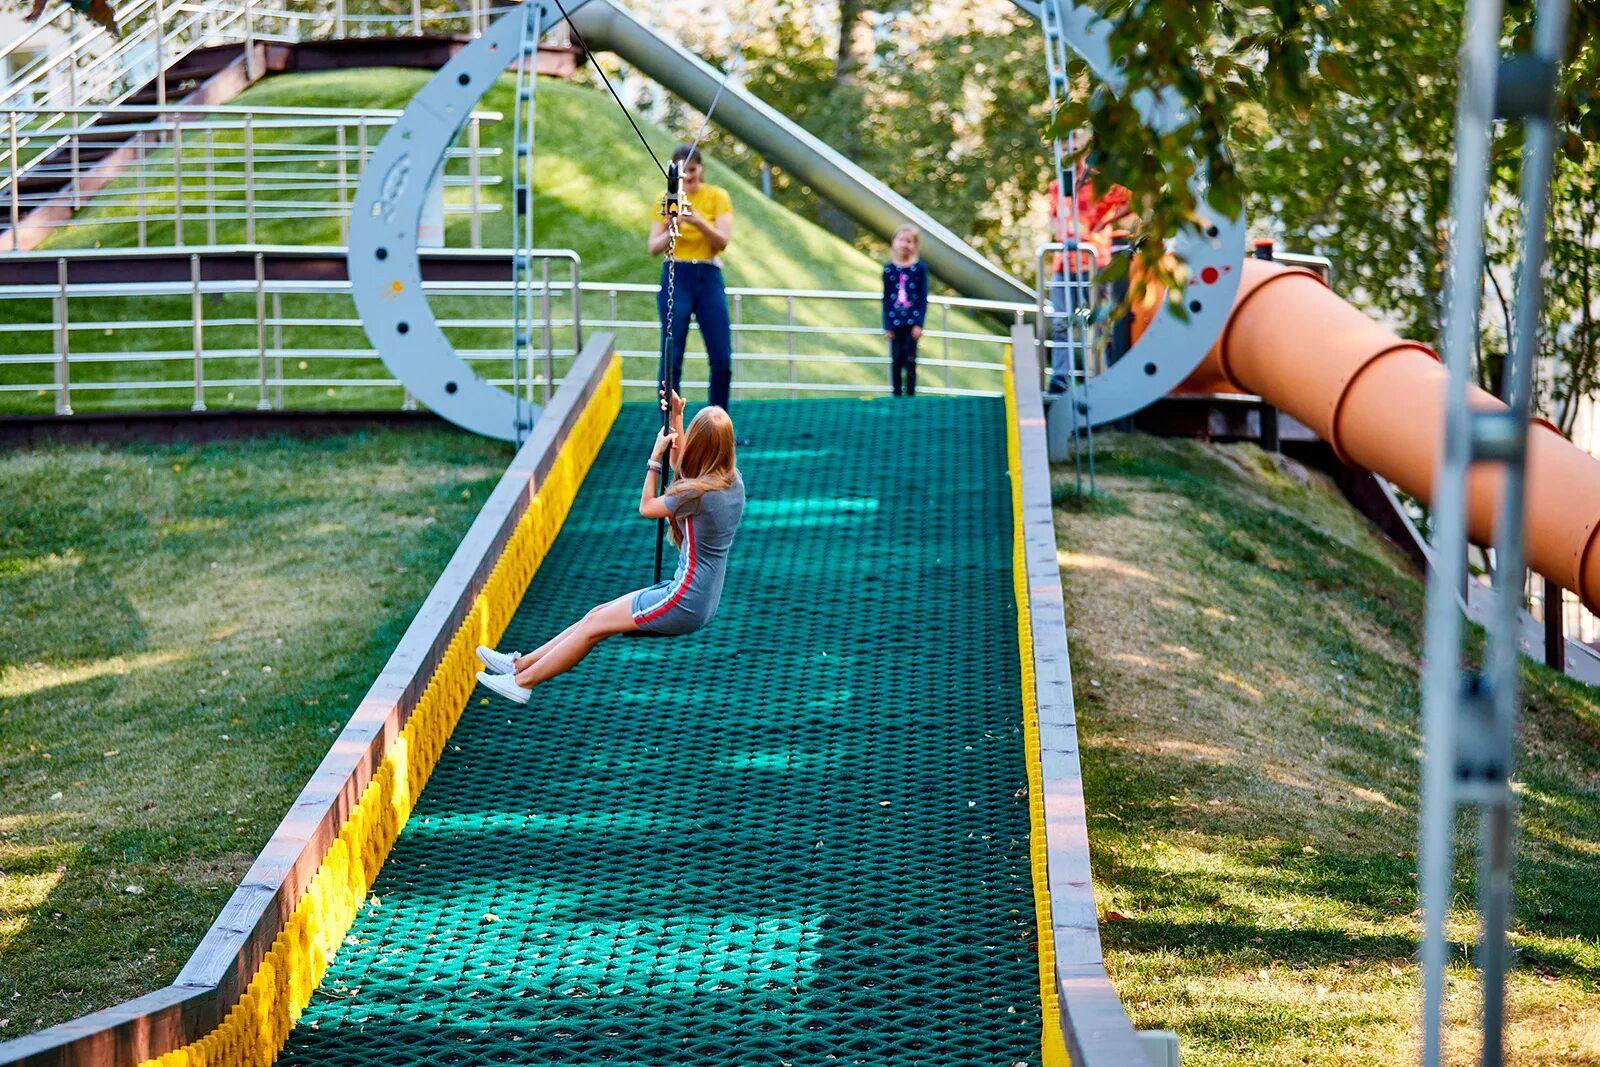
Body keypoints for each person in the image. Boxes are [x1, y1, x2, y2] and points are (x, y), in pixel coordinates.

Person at [475, 390, 745, 705]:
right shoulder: (731, 483)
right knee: (595, 616)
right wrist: (676, 418)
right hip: (698, 598)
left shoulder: (696, 496)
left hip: (683, 599)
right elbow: (686, 469)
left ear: (699, 445)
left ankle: (523, 682)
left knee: (594, 628)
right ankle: (520, 665)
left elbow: (648, 506)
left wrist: (654, 458)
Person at [648, 145, 736, 410]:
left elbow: (721, 241)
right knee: (671, 358)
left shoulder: (717, 196)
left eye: (693, 170)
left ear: (701, 169)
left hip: (708, 275)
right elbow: (653, 247)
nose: (688, 177)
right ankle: (670, 429)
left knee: (721, 357)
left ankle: (718, 426)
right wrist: (674, 226)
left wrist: (697, 221)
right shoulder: (666, 199)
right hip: (677, 275)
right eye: (682, 172)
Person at [1046, 162, 1133, 391]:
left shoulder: (1101, 185)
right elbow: (1055, 219)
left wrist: (1106, 222)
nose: (1066, 150)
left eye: (1069, 143)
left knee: (1101, 324)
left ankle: (1108, 379)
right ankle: (1060, 380)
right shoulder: (1057, 186)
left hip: (1095, 264)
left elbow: (1135, 199)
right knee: (1061, 323)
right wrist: (1062, 236)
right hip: (1064, 264)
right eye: (1062, 144)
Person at [882, 225, 928, 397]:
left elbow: (922, 297)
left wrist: (919, 323)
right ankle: (896, 394)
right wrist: (887, 325)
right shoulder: (889, 269)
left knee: (910, 359)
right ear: (894, 242)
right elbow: (886, 298)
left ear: (915, 245)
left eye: (909, 241)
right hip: (895, 322)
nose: (904, 244)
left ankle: (910, 395)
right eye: (901, 240)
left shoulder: (920, 269)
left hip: (911, 322)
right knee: (896, 359)